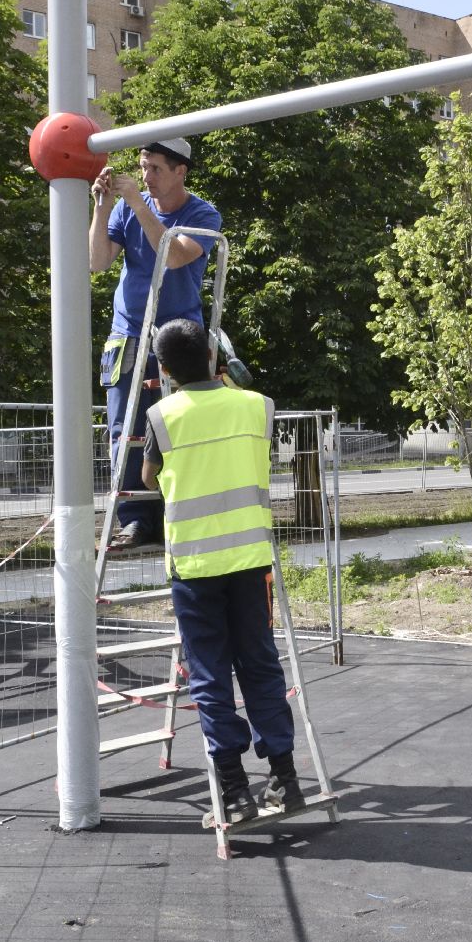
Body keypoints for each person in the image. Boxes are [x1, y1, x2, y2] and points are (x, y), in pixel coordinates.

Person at [142, 318, 301, 824]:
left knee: (210, 674)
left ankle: (234, 793)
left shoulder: (163, 417)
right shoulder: (257, 406)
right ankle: (284, 779)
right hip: (251, 561)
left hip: (193, 566)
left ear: (164, 370)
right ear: (214, 357)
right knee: (260, 663)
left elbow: (149, 477)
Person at [89, 137, 220, 551]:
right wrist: (103, 205)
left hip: (179, 335)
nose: (146, 178)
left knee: (183, 425)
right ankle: (135, 522)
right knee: (123, 430)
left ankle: (181, 513)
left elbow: (176, 256)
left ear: (181, 171)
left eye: (155, 169)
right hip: (128, 333)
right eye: (143, 168)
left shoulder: (202, 212)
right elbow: (97, 262)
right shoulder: (128, 206)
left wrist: (137, 203)